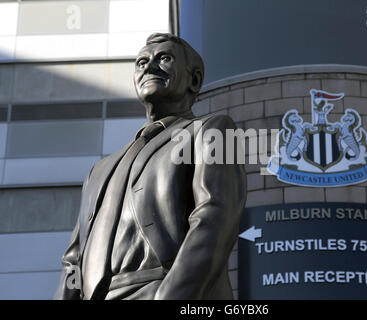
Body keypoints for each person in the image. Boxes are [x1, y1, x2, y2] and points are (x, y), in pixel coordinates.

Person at [54, 33, 247, 300]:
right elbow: (73, 259)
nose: (149, 66)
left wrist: (170, 296)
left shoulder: (213, 131)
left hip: (162, 291)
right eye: (141, 62)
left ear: (194, 80)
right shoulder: (99, 171)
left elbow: (214, 219)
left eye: (164, 59)